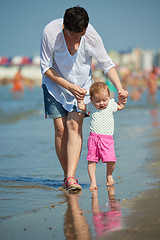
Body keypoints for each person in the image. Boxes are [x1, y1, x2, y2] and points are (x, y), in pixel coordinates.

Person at [40, 6, 128, 191]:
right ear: (64, 27)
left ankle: (71, 177)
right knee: (60, 129)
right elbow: (45, 67)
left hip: (81, 87)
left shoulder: (91, 36)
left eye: (81, 34)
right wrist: (68, 86)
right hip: (55, 85)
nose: (78, 39)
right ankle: (67, 176)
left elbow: (107, 63)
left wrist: (120, 88)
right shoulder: (50, 33)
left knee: (73, 125)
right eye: (74, 35)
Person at [77, 82, 125, 189]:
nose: (101, 103)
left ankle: (109, 175)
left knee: (111, 160)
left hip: (107, 139)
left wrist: (122, 99)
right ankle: (93, 182)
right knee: (91, 160)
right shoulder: (91, 106)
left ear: (109, 97)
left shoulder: (111, 105)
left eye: (104, 100)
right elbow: (81, 106)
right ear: (91, 100)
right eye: (97, 101)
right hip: (94, 138)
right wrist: (79, 98)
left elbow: (120, 106)